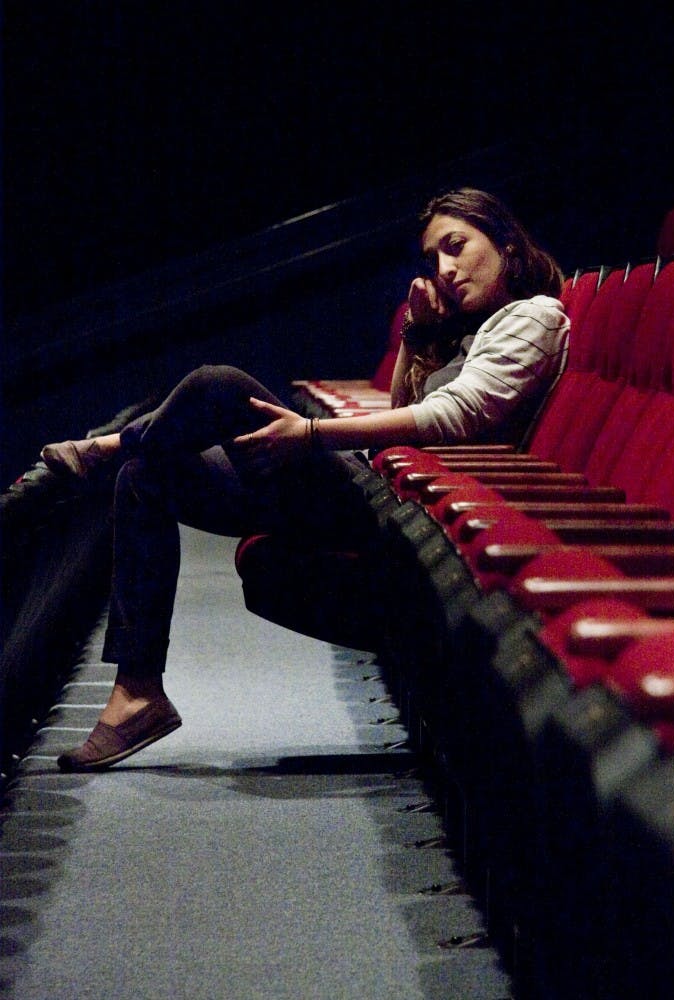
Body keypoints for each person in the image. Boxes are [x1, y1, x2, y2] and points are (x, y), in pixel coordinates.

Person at [41, 187, 570, 772]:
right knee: (144, 480)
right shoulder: (470, 328)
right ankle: (138, 692)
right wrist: (418, 339)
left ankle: (107, 448)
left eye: (456, 246)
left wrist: (312, 433)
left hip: (401, 511)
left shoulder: (534, 317)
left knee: (218, 384)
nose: (444, 271)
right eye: (433, 259)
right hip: (383, 489)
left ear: (504, 240)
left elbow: (457, 415)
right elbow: (405, 408)